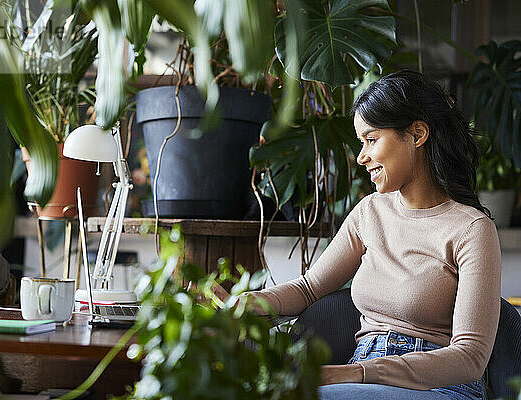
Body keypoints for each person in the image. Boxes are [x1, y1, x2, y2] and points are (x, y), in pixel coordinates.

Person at [215, 70, 501, 400]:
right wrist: (244, 304)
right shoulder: (370, 212)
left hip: (438, 387)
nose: (361, 156)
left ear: (417, 134)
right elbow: (310, 288)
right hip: (359, 378)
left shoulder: (471, 230)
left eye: (371, 140)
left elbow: (470, 357)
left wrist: (355, 373)